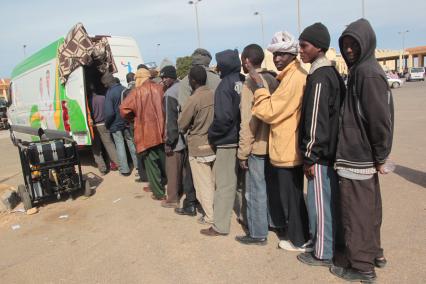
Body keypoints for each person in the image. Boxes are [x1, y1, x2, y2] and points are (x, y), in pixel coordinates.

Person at [330, 18, 394, 283]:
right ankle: (374, 254)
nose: (348, 50)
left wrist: (381, 155)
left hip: (358, 157)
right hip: (362, 155)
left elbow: (379, 120)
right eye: (345, 45)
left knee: (355, 213)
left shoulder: (366, 73)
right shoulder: (362, 70)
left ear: (366, 43)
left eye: (353, 44)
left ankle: (361, 267)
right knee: (368, 210)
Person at [246, 31, 310, 251]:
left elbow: (270, 111)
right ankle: (301, 237)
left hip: (287, 148)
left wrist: (261, 89)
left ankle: (299, 241)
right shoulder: (290, 76)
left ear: (293, 54)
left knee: (292, 197)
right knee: (293, 196)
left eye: (282, 54)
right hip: (287, 145)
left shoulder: (293, 79)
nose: (277, 59)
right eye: (275, 55)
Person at [297, 23, 345, 266]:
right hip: (328, 152)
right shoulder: (329, 73)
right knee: (326, 202)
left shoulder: (320, 77)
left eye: (304, 45)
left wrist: (310, 155)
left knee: (320, 205)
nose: (300, 50)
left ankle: (323, 252)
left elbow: (315, 121)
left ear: (319, 47)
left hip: (320, 155)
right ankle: (327, 245)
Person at [235, 44, 279, 246]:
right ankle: (272, 222)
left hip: (257, 147)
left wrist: (243, 153)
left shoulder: (250, 84)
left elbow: (248, 122)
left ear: (247, 61)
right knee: (271, 188)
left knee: (255, 191)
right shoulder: (272, 78)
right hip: (275, 145)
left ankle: (258, 233)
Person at [200, 49, 243, 237]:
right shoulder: (242, 80)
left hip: (227, 141)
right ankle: (245, 218)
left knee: (225, 184)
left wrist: (212, 134)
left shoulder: (224, 85)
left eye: (219, 64)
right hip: (243, 139)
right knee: (241, 184)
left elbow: (224, 118)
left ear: (224, 65)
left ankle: (220, 226)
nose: (217, 68)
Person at [175, 48, 220, 217]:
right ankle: (215, 206)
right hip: (216, 136)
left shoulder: (187, 81)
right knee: (213, 176)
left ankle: (192, 204)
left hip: (195, 137)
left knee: (195, 176)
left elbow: (184, 112)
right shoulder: (217, 79)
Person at [120, 68, 167, 200]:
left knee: (151, 163)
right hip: (162, 129)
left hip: (146, 132)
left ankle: (158, 193)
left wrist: (133, 118)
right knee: (162, 159)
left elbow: (123, 110)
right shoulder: (160, 88)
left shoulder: (136, 92)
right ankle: (161, 184)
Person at [160, 65, 186, 208]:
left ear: (171, 77)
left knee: (172, 170)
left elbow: (170, 120)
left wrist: (169, 142)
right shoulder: (183, 87)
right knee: (182, 169)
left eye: (165, 77)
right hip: (186, 135)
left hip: (176, 138)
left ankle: (172, 200)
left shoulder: (169, 93)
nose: (163, 80)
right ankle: (181, 192)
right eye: (162, 77)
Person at [102, 72, 138, 176]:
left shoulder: (109, 93)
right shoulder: (124, 89)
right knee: (131, 143)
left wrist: (107, 124)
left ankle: (125, 170)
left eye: (105, 84)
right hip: (127, 121)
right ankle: (138, 166)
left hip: (115, 124)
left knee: (120, 145)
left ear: (107, 83)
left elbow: (109, 113)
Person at [87, 82, 120, 174]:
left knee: (96, 149)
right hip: (104, 124)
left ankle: (103, 169)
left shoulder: (87, 102)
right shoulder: (103, 98)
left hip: (93, 127)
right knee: (109, 145)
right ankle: (119, 165)